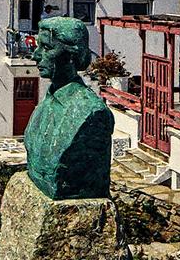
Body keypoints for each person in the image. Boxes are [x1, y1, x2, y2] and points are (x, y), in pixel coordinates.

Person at [24, 17, 114, 200]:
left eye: (47, 48)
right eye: (38, 46)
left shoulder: (92, 113)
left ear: (72, 55)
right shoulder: (47, 103)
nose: (36, 55)